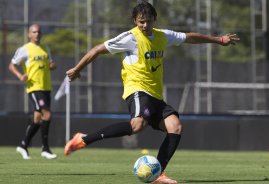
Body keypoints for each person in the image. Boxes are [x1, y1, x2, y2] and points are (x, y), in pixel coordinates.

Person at [64, 1, 239, 183]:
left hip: (155, 94)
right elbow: (97, 49)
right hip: (137, 89)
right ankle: (84, 139)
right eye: (141, 22)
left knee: (175, 127)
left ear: (154, 20)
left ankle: (159, 174)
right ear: (135, 21)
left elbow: (190, 37)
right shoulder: (129, 38)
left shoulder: (162, 36)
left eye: (148, 21)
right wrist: (77, 69)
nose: (145, 25)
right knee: (137, 125)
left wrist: (218, 40)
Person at [9, 24, 57, 160]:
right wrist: (20, 76)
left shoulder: (45, 48)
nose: (37, 34)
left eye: (39, 32)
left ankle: (23, 145)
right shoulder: (24, 49)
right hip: (34, 87)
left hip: (46, 87)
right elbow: (12, 65)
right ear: (29, 34)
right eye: (34, 32)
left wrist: (52, 66)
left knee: (37, 118)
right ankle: (45, 149)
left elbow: (51, 64)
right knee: (47, 115)